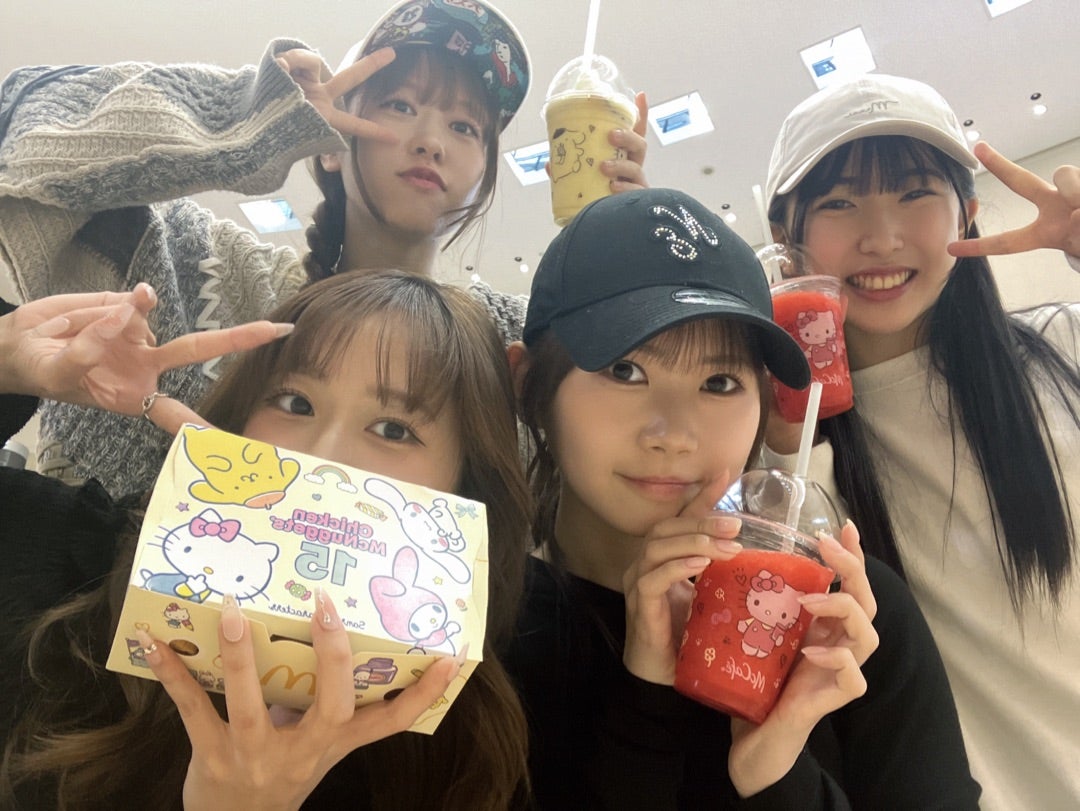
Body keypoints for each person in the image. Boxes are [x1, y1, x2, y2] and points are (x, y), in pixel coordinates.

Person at [0, 0, 650, 498]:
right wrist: (247, 120)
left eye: (464, 125)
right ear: (333, 144)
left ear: (483, 172)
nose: (431, 140)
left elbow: (638, 439)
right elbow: (25, 126)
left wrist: (629, 244)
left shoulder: (505, 342)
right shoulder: (206, 269)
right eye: (399, 105)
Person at [505, 187, 980, 808]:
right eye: (625, 370)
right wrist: (646, 704)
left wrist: (776, 773)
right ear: (528, 385)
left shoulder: (837, 620)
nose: (674, 434)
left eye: (720, 381)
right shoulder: (485, 629)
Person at [0, 270, 532, 810]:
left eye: (393, 430)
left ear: (463, 491)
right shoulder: (69, 572)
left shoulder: (465, 749)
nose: (321, 457)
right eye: (296, 403)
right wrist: (8, 363)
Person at [760, 73, 1080, 808]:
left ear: (967, 213)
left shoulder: (1064, 348)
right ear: (786, 238)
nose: (882, 237)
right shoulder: (793, 444)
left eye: (914, 193)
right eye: (839, 202)